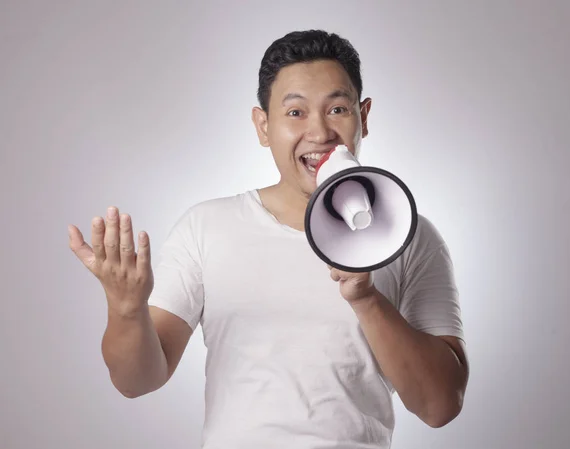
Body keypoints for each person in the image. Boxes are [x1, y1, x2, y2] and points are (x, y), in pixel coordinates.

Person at [68, 29, 469, 449]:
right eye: (295, 113)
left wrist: (366, 297)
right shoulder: (206, 226)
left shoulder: (410, 236)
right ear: (263, 126)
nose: (319, 132)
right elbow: (136, 381)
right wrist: (127, 310)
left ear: (363, 117)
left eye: (337, 108)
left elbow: (440, 406)